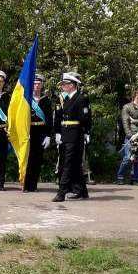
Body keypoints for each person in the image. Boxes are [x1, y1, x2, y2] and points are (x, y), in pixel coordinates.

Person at [52, 72, 91, 202]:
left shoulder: (81, 98)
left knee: (68, 164)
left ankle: (61, 192)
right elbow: (58, 116)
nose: (63, 86)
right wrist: (57, 132)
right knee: (72, 163)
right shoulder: (65, 99)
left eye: (65, 84)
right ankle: (82, 192)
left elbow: (86, 118)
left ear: (73, 85)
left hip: (76, 133)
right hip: (65, 133)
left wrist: (87, 132)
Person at [23, 73, 53, 192]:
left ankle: (33, 186)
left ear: (41, 85)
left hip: (41, 132)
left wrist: (48, 135)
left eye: (38, 84)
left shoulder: (46, 101)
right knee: (27, 159)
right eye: (34, 84)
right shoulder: (26, 99)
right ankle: (25, 185)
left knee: (37, 160)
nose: (36, 86)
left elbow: (49, 119)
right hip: (29, 131)